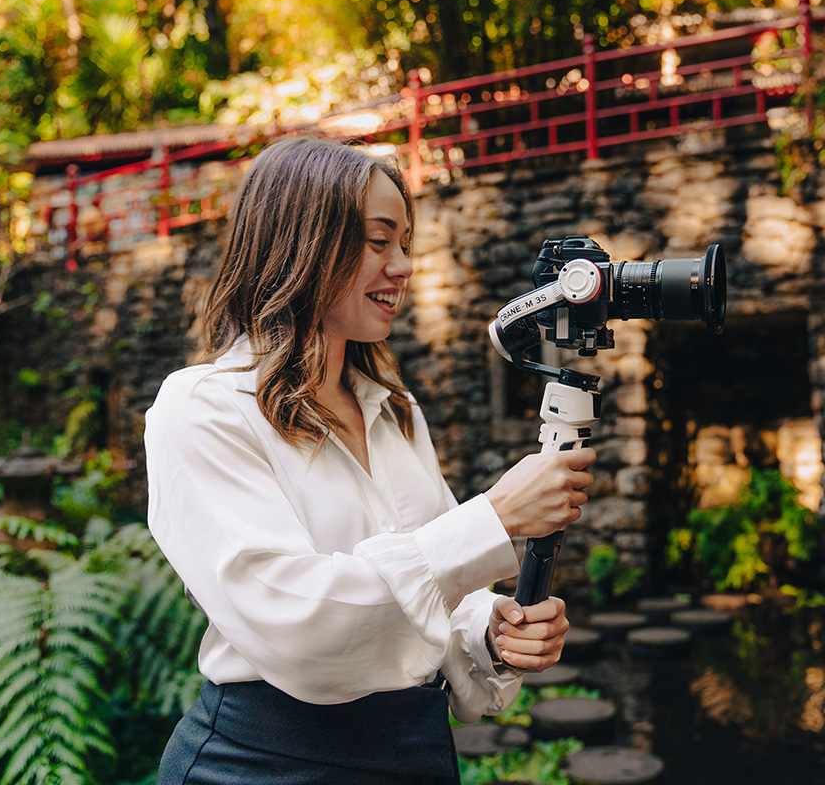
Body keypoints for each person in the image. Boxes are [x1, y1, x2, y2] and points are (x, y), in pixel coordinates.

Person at [145, 137, 595, 784]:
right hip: (262, 766)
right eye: (379, 242)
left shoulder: (393, 407)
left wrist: (492, 634)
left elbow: (442, 596)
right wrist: (493, 515)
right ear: (302, 243)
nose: (404, 266)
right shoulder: (203, 409)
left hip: (411, 755)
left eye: (405, 243)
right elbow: (297, 623)